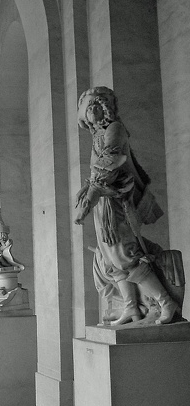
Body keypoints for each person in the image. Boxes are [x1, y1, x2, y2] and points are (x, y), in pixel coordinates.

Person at [74, 86, 180, 325]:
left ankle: (165, 301)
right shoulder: (97, 135)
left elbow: (108, 166)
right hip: (104, 205)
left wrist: (87, 201)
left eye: (94, 106)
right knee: (109, 258)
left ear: (104, 107)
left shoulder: (116, 129)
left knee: (125, 255)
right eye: (87, 108)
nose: (89, 113)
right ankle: (131, 308)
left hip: (118, 202)